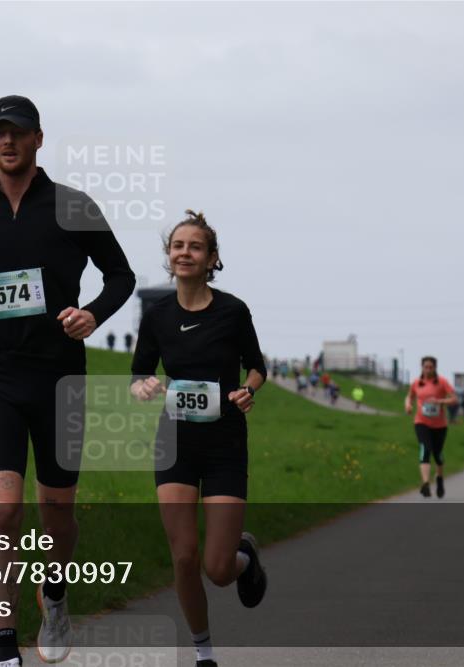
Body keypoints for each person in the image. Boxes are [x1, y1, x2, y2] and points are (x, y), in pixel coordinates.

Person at [0, 95, 136, 667]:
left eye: (19, 132)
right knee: (1, 513)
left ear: (39, 139)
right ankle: (6, 649)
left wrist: (93, 313)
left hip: (58, 376)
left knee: (58, 511)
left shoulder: (73, 206)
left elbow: (121, 275)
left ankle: (57, 597)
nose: (8, 141)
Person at [130, 210, 267, 667]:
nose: (184, 252)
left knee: (218, 569)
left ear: (211, 258)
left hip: (225, 443)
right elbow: (139, 374)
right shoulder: (157, 315)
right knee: (184, 558)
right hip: (175, 442)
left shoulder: (232, 311)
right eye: (178, 246)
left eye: (195, 246)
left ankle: (245, 557)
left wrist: (248, 390)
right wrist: (143, 387)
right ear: (169, 257)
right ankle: (203, 651)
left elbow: (257, 366)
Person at [405, 356, 458, 498]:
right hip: (421, 422)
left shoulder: (442, 382)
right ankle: (426, 484)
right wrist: (408, 405)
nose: (428, 369)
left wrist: (439, 401)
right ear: (422, 367)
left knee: (438, 455)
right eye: (425, 367)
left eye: (431, 367)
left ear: (435, 368)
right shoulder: (417, 383)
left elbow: (454, 399)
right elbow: (409, 396)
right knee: (425, 449)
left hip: (439, 425)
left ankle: (439, 479)